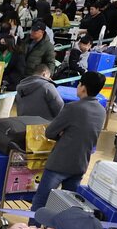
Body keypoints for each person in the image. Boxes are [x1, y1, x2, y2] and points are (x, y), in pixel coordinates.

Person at [29, 72, 107, 211]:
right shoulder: (102, 111)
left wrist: (63, 135)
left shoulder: (73, 108)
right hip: (80, 164)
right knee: (68, 205)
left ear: (83, 87)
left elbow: (50, 132)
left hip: (59, 163)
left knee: (41, 202)